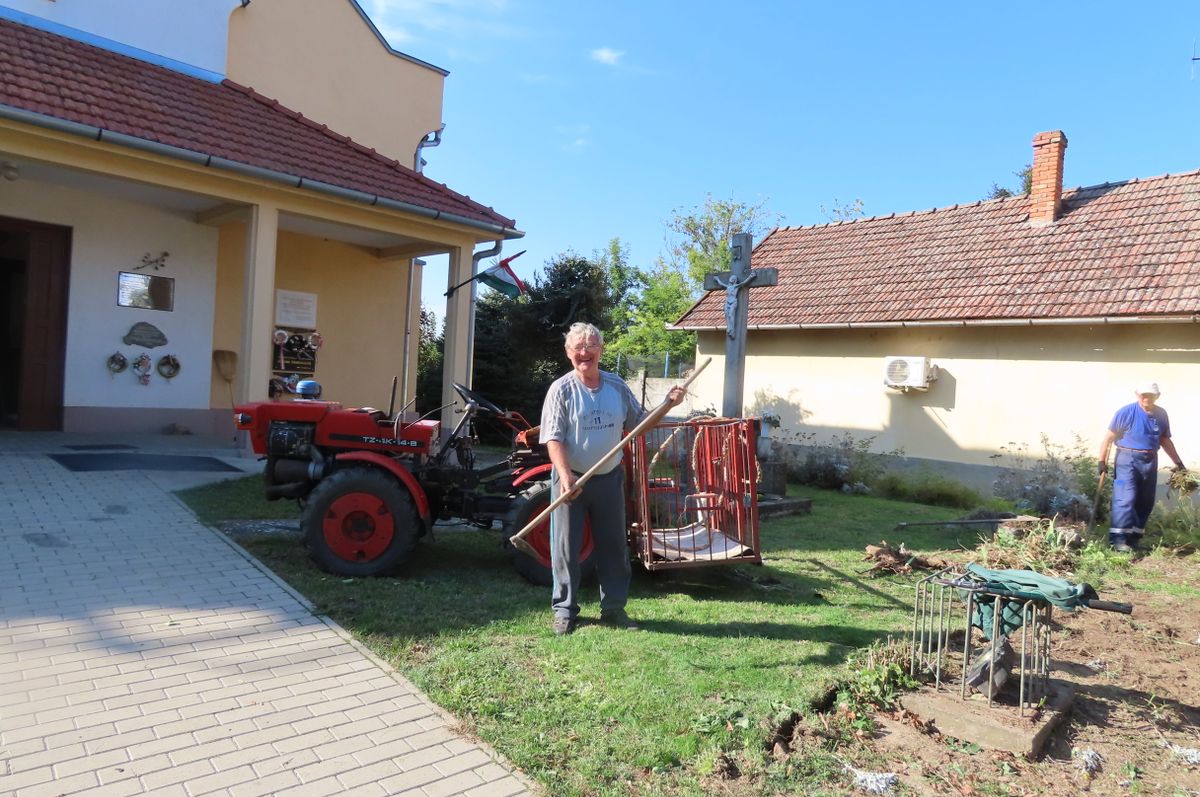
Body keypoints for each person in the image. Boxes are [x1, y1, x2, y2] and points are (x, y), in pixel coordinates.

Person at [540, 322, 685, 635]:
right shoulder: (561, 390)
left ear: (600, 351)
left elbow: (639, 424)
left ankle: (614, 608)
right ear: (568, 353)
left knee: (614, 545)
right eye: (577, 347)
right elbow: (553, 438)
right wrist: (565, 476)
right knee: (566, 548)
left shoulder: (616, 386)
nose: (584, 352)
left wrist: (668, 405)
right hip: (572, 480)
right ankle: (565, 610)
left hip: (608, 479)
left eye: (590, 346)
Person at [1097, 381, 1186, 552]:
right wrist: (1102, 461)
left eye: (1150, 395)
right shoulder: (1126, 412)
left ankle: (1134, 539)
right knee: (1125, 497)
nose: (1146, 398)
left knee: (1145, 500)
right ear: (1137, 395)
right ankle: (1118, 540)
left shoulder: (1161, 414)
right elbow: (1108, 438)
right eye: (1143, 394)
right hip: (1126, 459)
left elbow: (1164, 440)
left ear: (1157, 396)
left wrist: (1179, 463)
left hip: (1150, 459)